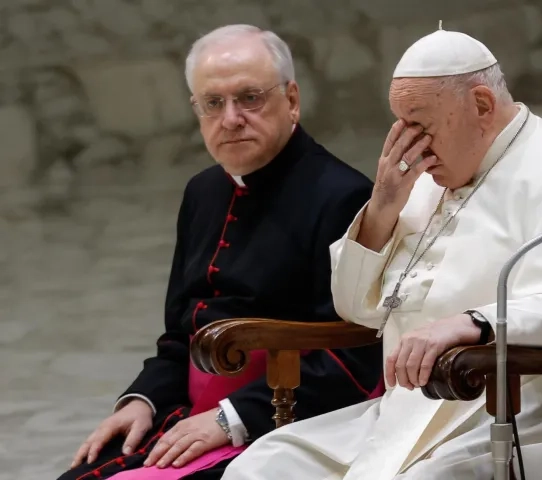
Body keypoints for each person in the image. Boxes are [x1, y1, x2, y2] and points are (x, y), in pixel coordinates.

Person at [222, 28, 542, 480]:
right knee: (261, 467)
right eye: (401, 125)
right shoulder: (427, 178)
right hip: (410, 413)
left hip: (531, 413)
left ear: (481, 106)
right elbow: (357, 309)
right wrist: (383, 205)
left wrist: (473, 323)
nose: (409, 145)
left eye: (420, 125)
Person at [59, 25, 383, 480]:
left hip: (286, 424)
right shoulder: (203, 192)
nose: (231, 118)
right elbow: (180, 335)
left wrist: (229, 418)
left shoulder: (343, 196)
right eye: (213, 103)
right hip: (188, 413)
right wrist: (142, 400)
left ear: (291, 100)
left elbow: (352, 360)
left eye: (250, 97)